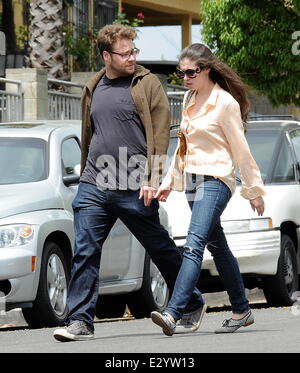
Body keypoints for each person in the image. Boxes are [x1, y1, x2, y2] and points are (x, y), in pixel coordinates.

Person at [53, 25, 205, 342]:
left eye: (134, 51)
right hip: (95, 183)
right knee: (85, 251)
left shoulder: (147, 84)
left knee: (160, 248)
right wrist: (84, 175)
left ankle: (191, 302)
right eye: (125, 53)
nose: (132, 57)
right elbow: (90, 133)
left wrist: (153, 179)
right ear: (107, 56)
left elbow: (162, 134)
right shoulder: (93, 86)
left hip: (135, 185)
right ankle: (80, 320)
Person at [151, 43, 265, 335]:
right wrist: (168, 182)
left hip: (216, 181)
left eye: (192, 72)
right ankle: (241, 310)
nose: (186, 77)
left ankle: (174, 312)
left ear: (207, 70)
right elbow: (183, 147)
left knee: (194, 243)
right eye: (182, 72)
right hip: (191, 180)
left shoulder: (225, 103)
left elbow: (241, 149)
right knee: (218, 246)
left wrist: (254, 190)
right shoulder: (191, 98)